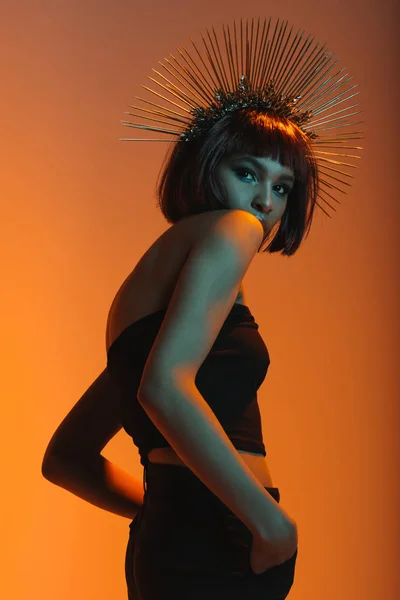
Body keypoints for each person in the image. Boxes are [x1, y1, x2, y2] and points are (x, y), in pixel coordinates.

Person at [43, 16, 364, 600]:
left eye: (283, 187)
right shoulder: (232, 230)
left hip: (182, 538)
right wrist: (266, 522)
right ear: (205, 164)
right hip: (224, 540)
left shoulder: (152, 285)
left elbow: (67, 458)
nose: (263, 203)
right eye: (246, 173)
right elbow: (163, 388)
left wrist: (170, 513)